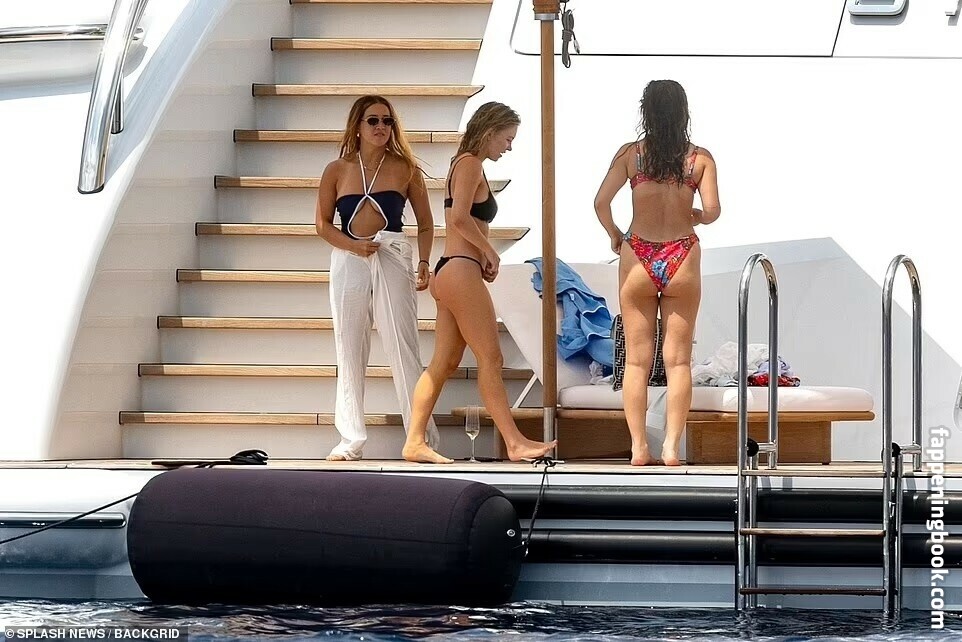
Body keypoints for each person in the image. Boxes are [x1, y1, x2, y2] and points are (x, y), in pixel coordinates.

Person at [401, 101, 557, 463]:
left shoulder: (462, 163)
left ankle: (414, 440)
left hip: (450, 270)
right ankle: (514, 442)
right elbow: (458, 218)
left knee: (443, 363)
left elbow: (459, 217)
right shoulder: (470, 163)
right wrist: (489, 251)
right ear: (490, 132)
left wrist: (483, 253)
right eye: (507, 138)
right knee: (491, 357)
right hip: (460, 270)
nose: (509, 147)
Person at [593, 80, 721, 466]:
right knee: (678, 361)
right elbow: (713, 210)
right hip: (682, 253)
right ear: (683, 112)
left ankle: (638, 447)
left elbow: (600, 202)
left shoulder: (631, 156)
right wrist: (697, 215)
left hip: (639, 253)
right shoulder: (699, 160)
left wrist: (615, 235)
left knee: (637, 361)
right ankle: (670, 447)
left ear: (646, 111)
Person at [315, 95, 440, 460]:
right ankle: (350, 439)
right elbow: (322, 224)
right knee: (349, 346)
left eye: (387, 121)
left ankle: (420, 436)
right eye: (373, 120)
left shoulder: (405, 168)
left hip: (391, 254)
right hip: (349, 257)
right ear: (358, 126)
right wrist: (352, 246)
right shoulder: (337, 170)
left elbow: (426, 223)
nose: (381, 127)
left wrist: (425, 261)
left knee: (403, 345)